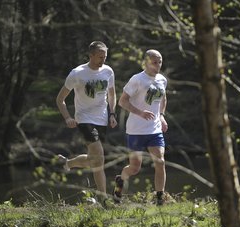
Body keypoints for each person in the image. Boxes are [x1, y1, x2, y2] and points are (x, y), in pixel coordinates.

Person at [56, 41, 117, 203]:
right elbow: (60, 99)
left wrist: (112, 113)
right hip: (84, 119)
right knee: (100, 157)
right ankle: (104, 199)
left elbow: (111, 94)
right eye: (99, 57)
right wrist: (68, 117)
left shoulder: (108, 71)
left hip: (102, 119)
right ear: (90, 55)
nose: (102, 60)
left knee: (94, 159)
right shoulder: (77, 73)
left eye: (105, 57)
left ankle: (69, 163)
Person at [113, 49, 168, 205]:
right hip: (136, 130)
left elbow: (163, 98)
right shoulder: (137, 79)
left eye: (160, 62)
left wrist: (162, 116)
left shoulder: (162, 80)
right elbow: (122, 102)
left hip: (155, 129)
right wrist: (140, 112)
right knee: (135, 168)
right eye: (154, 62)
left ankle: (160, 198)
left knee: (160, 161)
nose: (158, 65)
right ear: (146, 62)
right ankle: (119, 185)